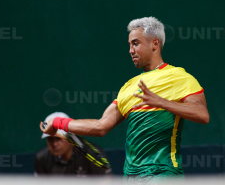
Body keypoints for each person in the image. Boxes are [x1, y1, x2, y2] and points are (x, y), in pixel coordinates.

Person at [40, 17, 209, 183]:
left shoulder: (179, 77)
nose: (130, 50)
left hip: (163, 175)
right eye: (129, 45)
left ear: (155, 44)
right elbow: (101, 126)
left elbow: (202, 114)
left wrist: (161, 102)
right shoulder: (129, 87)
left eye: (135, 43)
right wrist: (58, 123)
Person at [35, 112, 112, 176]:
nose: (55, 144)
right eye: (50, 139)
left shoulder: (93, 154)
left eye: (59, 138)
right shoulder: (41, 158)